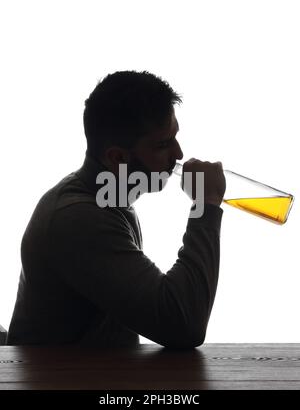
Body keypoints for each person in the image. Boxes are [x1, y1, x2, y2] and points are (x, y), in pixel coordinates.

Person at [7, 71, 225, 348]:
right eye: (163, 144)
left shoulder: (109, 201)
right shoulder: (78, 219)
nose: (179, 154)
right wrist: (205, 206)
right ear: (118, 157)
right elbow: (183, 325)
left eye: (175, 137)